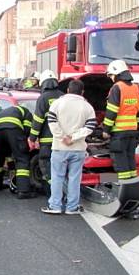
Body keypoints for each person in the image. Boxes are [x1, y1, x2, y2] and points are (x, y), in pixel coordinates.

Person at [41, 79, 97, 214]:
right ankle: (72, 207)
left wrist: (63, 137)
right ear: (82, 92)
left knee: (57, 177)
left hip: (59, 148)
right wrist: (74, 137)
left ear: (67, 90)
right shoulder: (87, 107)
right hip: (78, 149)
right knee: (74, 178)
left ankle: (55, 206)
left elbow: (52, 122)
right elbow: (90, 127)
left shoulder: (57, 103)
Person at [102, 60, 139, 180]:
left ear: (116, 73)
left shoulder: (117, 88)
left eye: (111, 75)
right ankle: (134, 182)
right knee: (130, 158)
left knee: (120, 159)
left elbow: (112, 111)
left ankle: (124, 186)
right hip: (133, 131)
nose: (110, 78)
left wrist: (106, 130)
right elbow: (138, 109)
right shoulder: (135, 88)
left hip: (119, 131)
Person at [28, 70, 64, 192]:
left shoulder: (43, 98)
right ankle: (64, 192)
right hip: (63, 140)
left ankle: (53, 195)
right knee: (61, 167)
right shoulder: (63, 96)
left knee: (47, 166)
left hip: (47, 141)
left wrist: (32, 138)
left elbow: (37, 120)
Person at [0, 105, 37, 199]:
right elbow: (27, 131)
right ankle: (23, 191)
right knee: (22, 158)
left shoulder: (7, 110)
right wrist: (24, 145)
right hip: (12, 128)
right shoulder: (28, 113)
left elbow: (8, 150)